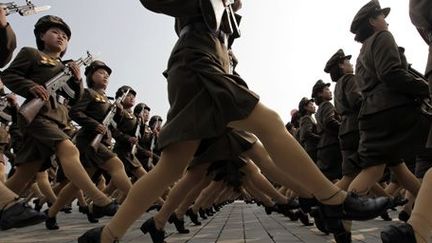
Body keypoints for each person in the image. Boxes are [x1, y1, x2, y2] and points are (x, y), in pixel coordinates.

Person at [79, 1, 389, 242]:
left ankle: (109, 235)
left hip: (204, 69)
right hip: (199, 67)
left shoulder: (221, 15)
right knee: (267, 124)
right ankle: (330, 200)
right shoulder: (197, 8)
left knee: (173, 168)